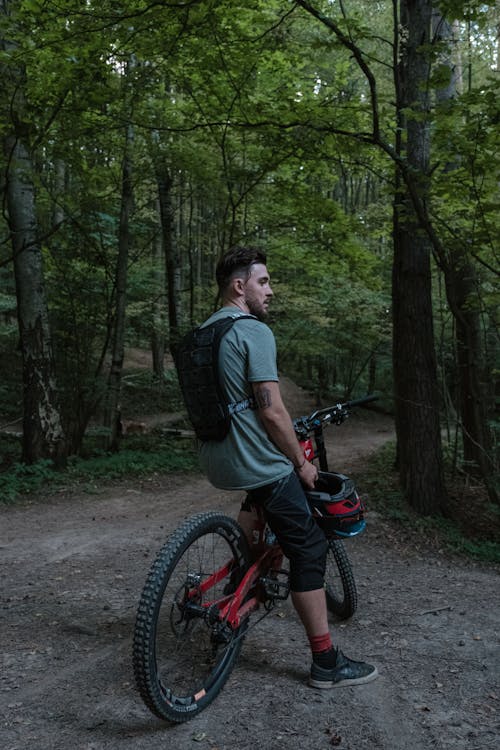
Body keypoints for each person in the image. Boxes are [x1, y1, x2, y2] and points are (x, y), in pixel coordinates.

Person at [199, 245, 378, 689]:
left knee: (263, 503)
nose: (270, 291)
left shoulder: (206, 331)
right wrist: (301, 464)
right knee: (310, 547)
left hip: (216, 457)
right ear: (240, 287)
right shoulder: (253, 331)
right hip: (254, 460)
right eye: (263, 281)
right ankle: (325, 662)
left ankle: (238, 583)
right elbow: (272, 412)